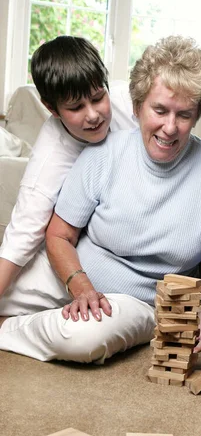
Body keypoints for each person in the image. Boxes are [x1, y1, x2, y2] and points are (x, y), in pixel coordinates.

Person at [0, 35, 201, 364]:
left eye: (184, 115)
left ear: (199, 112)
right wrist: (81, 287)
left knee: (85, 338)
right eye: (159, 110)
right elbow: (59, 234)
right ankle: (50, 315)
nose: (170, 127)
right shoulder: (99, 152)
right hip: (68, 272)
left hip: (132, 302)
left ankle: (10, 329)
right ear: (136, 106)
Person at [0, 35, 135, 300]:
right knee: (13, 294)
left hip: (132, 227)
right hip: (78, 245)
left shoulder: (131, 102)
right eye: (76, 107)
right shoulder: (50, 156)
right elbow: (21, 237)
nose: (93, 115)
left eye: (98, 98)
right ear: (51, 108)